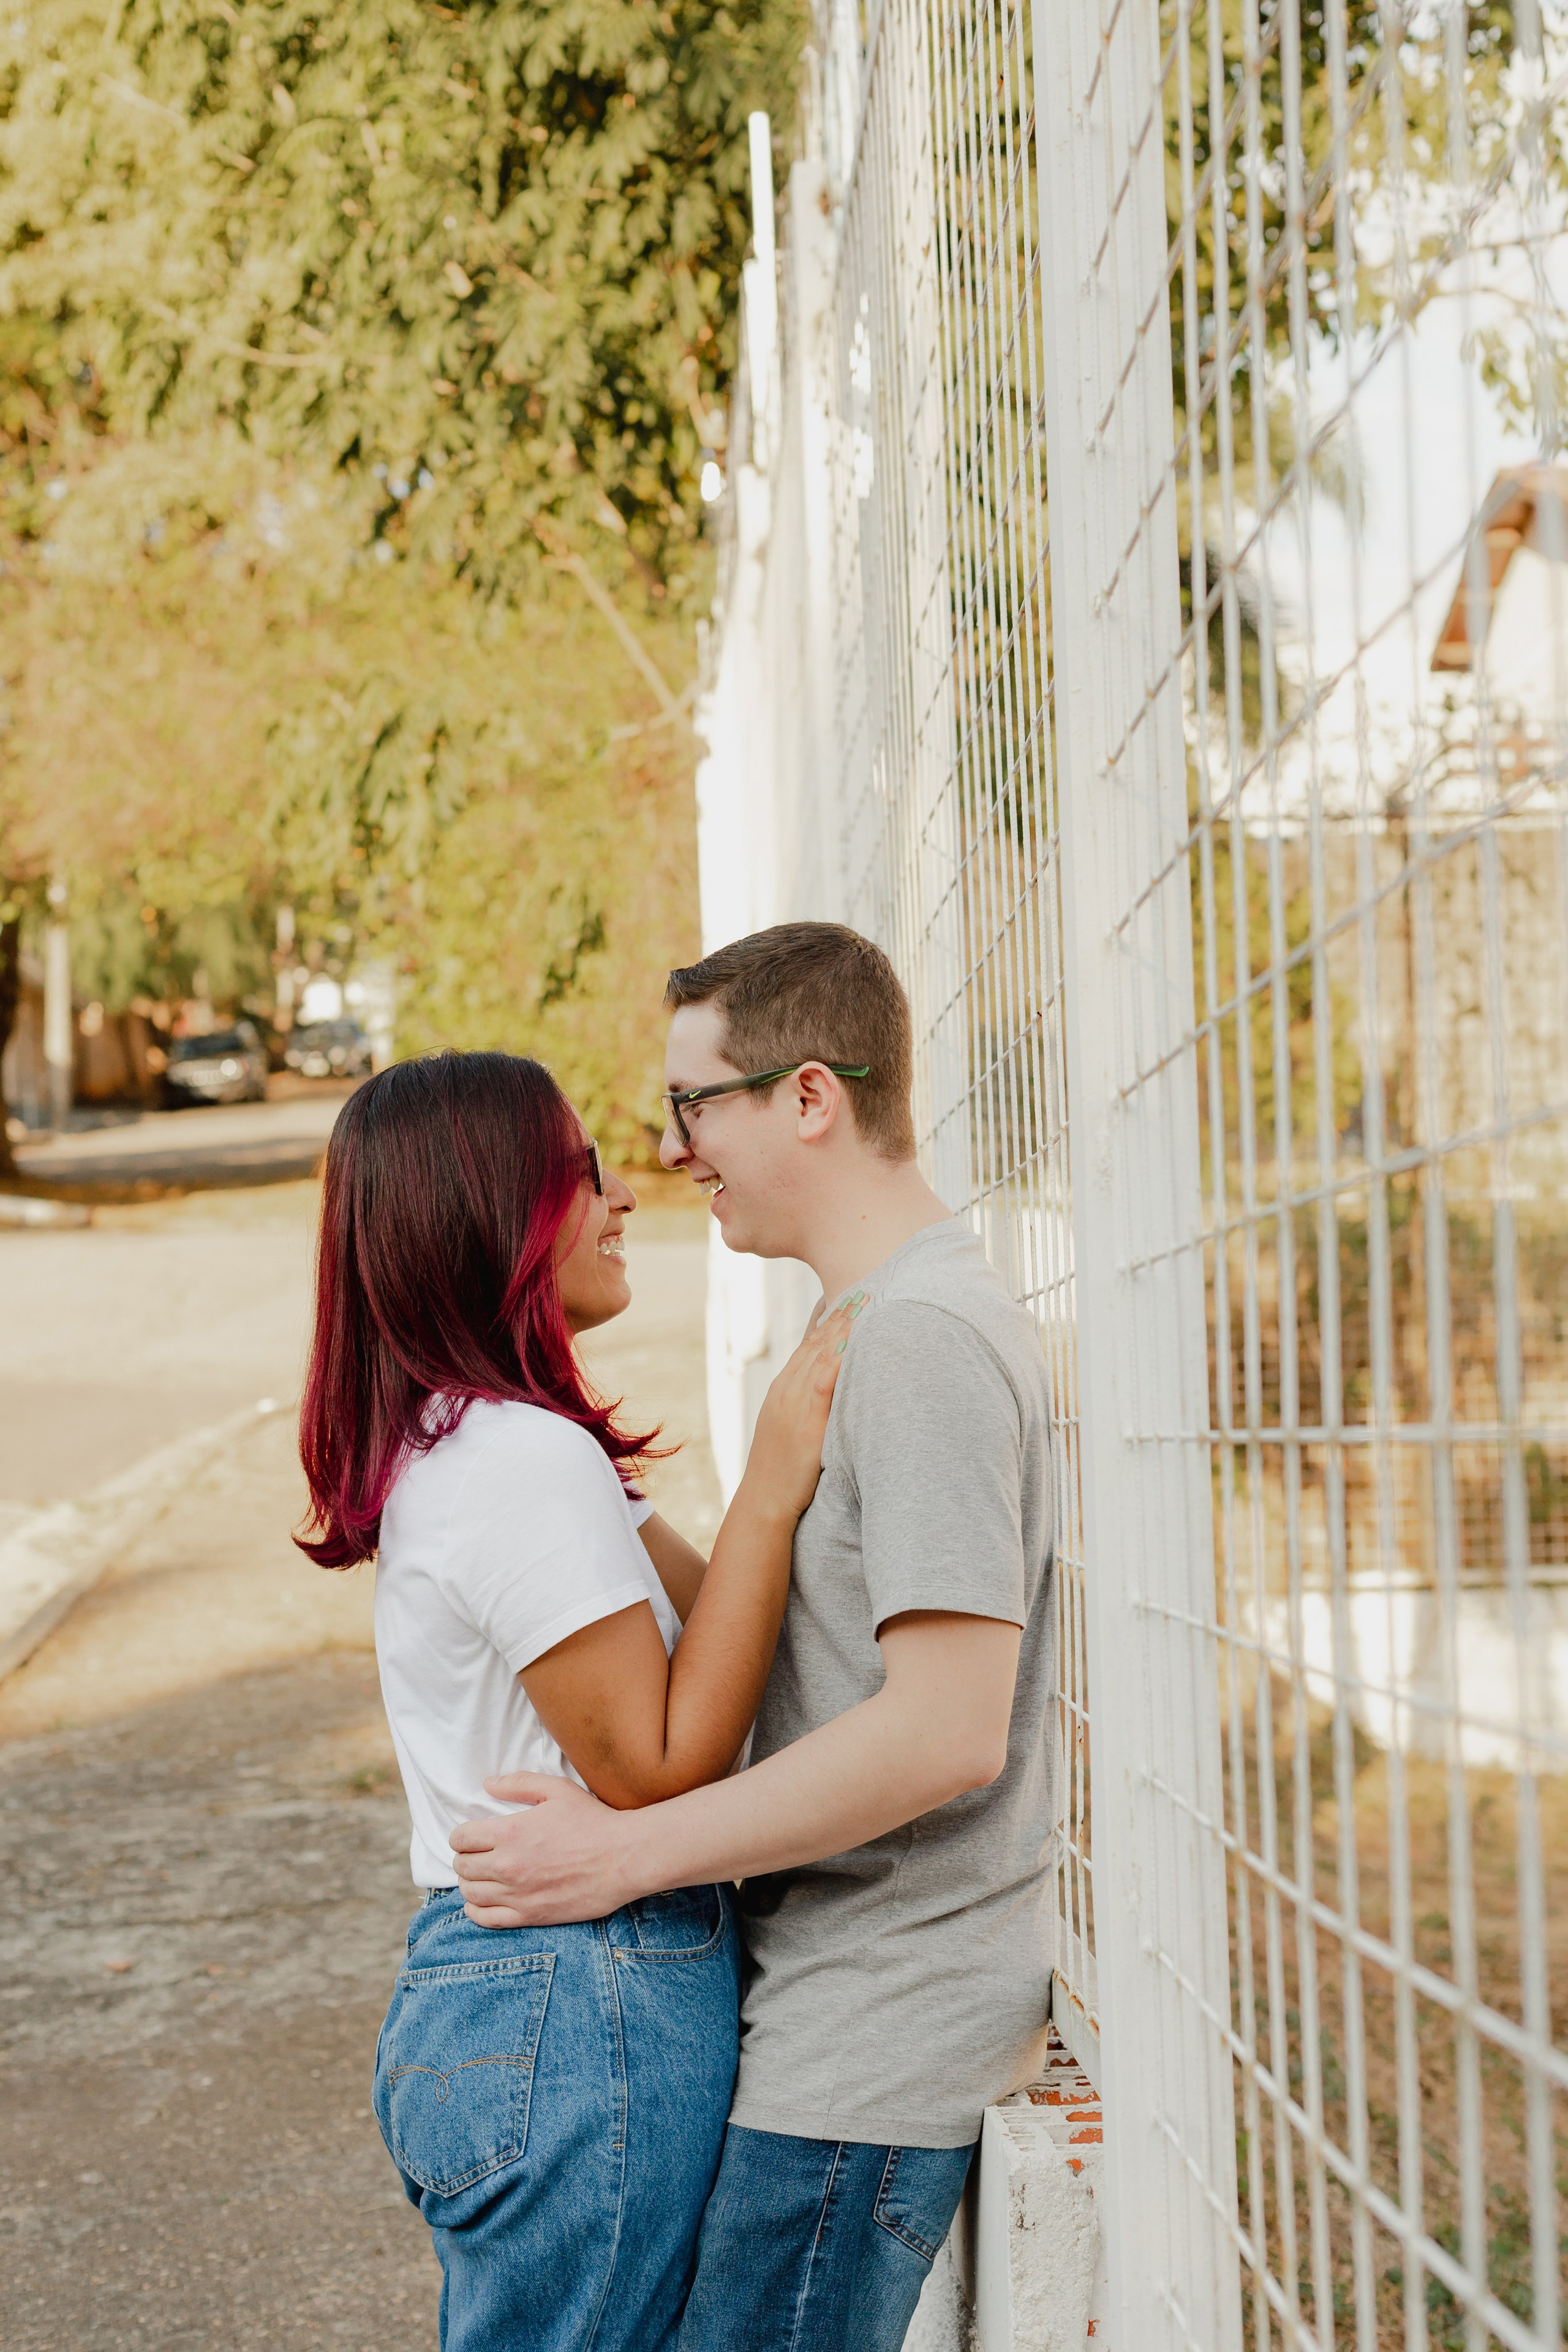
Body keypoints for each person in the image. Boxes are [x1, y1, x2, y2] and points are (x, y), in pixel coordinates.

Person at [451, 924, 1058, 2352]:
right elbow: (802, 1632)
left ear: (807, 1098)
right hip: (822, 2022)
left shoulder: (914, 1339)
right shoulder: (873, 1320)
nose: (669, 1152)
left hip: (868, 2039)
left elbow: (946, 1726)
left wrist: (620, 1855)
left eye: (691, 1104)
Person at [294, 1050, 852, 2352]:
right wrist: (772, 1475)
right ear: (494, 1211)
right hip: (573, 2010)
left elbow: (726, 1629)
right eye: (578, 1172)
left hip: (537, 2009)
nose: (623, 1197)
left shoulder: (504, 1445)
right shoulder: (514, 1462)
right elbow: (658, 1763)